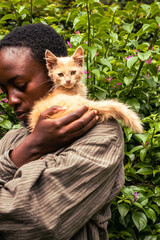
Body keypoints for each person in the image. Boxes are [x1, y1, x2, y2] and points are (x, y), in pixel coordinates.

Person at [0, 23, 124, 240]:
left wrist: (34, 147)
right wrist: (29, 146)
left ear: (49, 71)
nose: (11, 100)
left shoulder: (102, 134)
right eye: (4, 91)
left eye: (20, 85)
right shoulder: (13, 137)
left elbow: (33, 222)